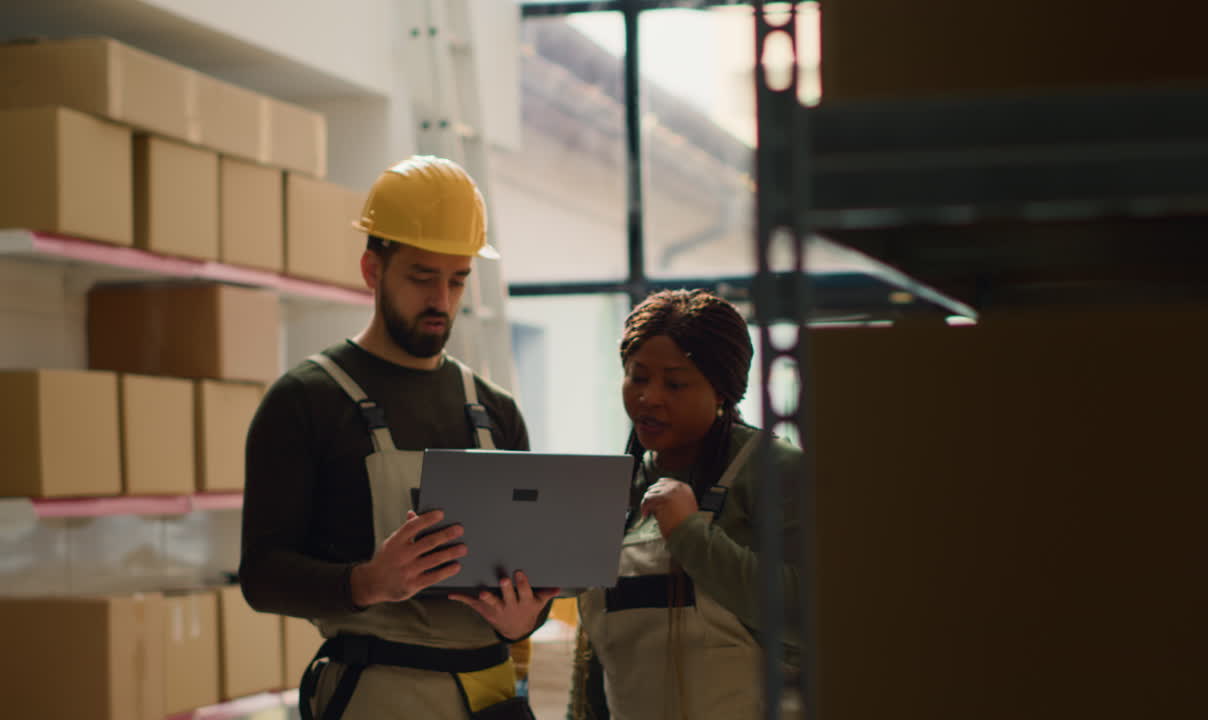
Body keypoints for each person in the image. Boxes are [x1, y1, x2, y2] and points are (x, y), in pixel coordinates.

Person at [239, 155, 556, 720]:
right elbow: (262, 577)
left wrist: (523, 619)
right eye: (421, 276)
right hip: (377, 693)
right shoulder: (306, 401)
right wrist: (365, 583)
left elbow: (526, 578)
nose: (441, 299)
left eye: (457, 279)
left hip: (491, 696)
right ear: (372, 270)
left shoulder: (495, 410)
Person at [569, 289, 805, 719]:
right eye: (638, 377)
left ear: (722, 391)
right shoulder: (616, 487)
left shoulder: (774, 470)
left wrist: (691, 534)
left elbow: (812, 613)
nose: (650, 397)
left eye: (675, 383)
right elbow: (593, 661)